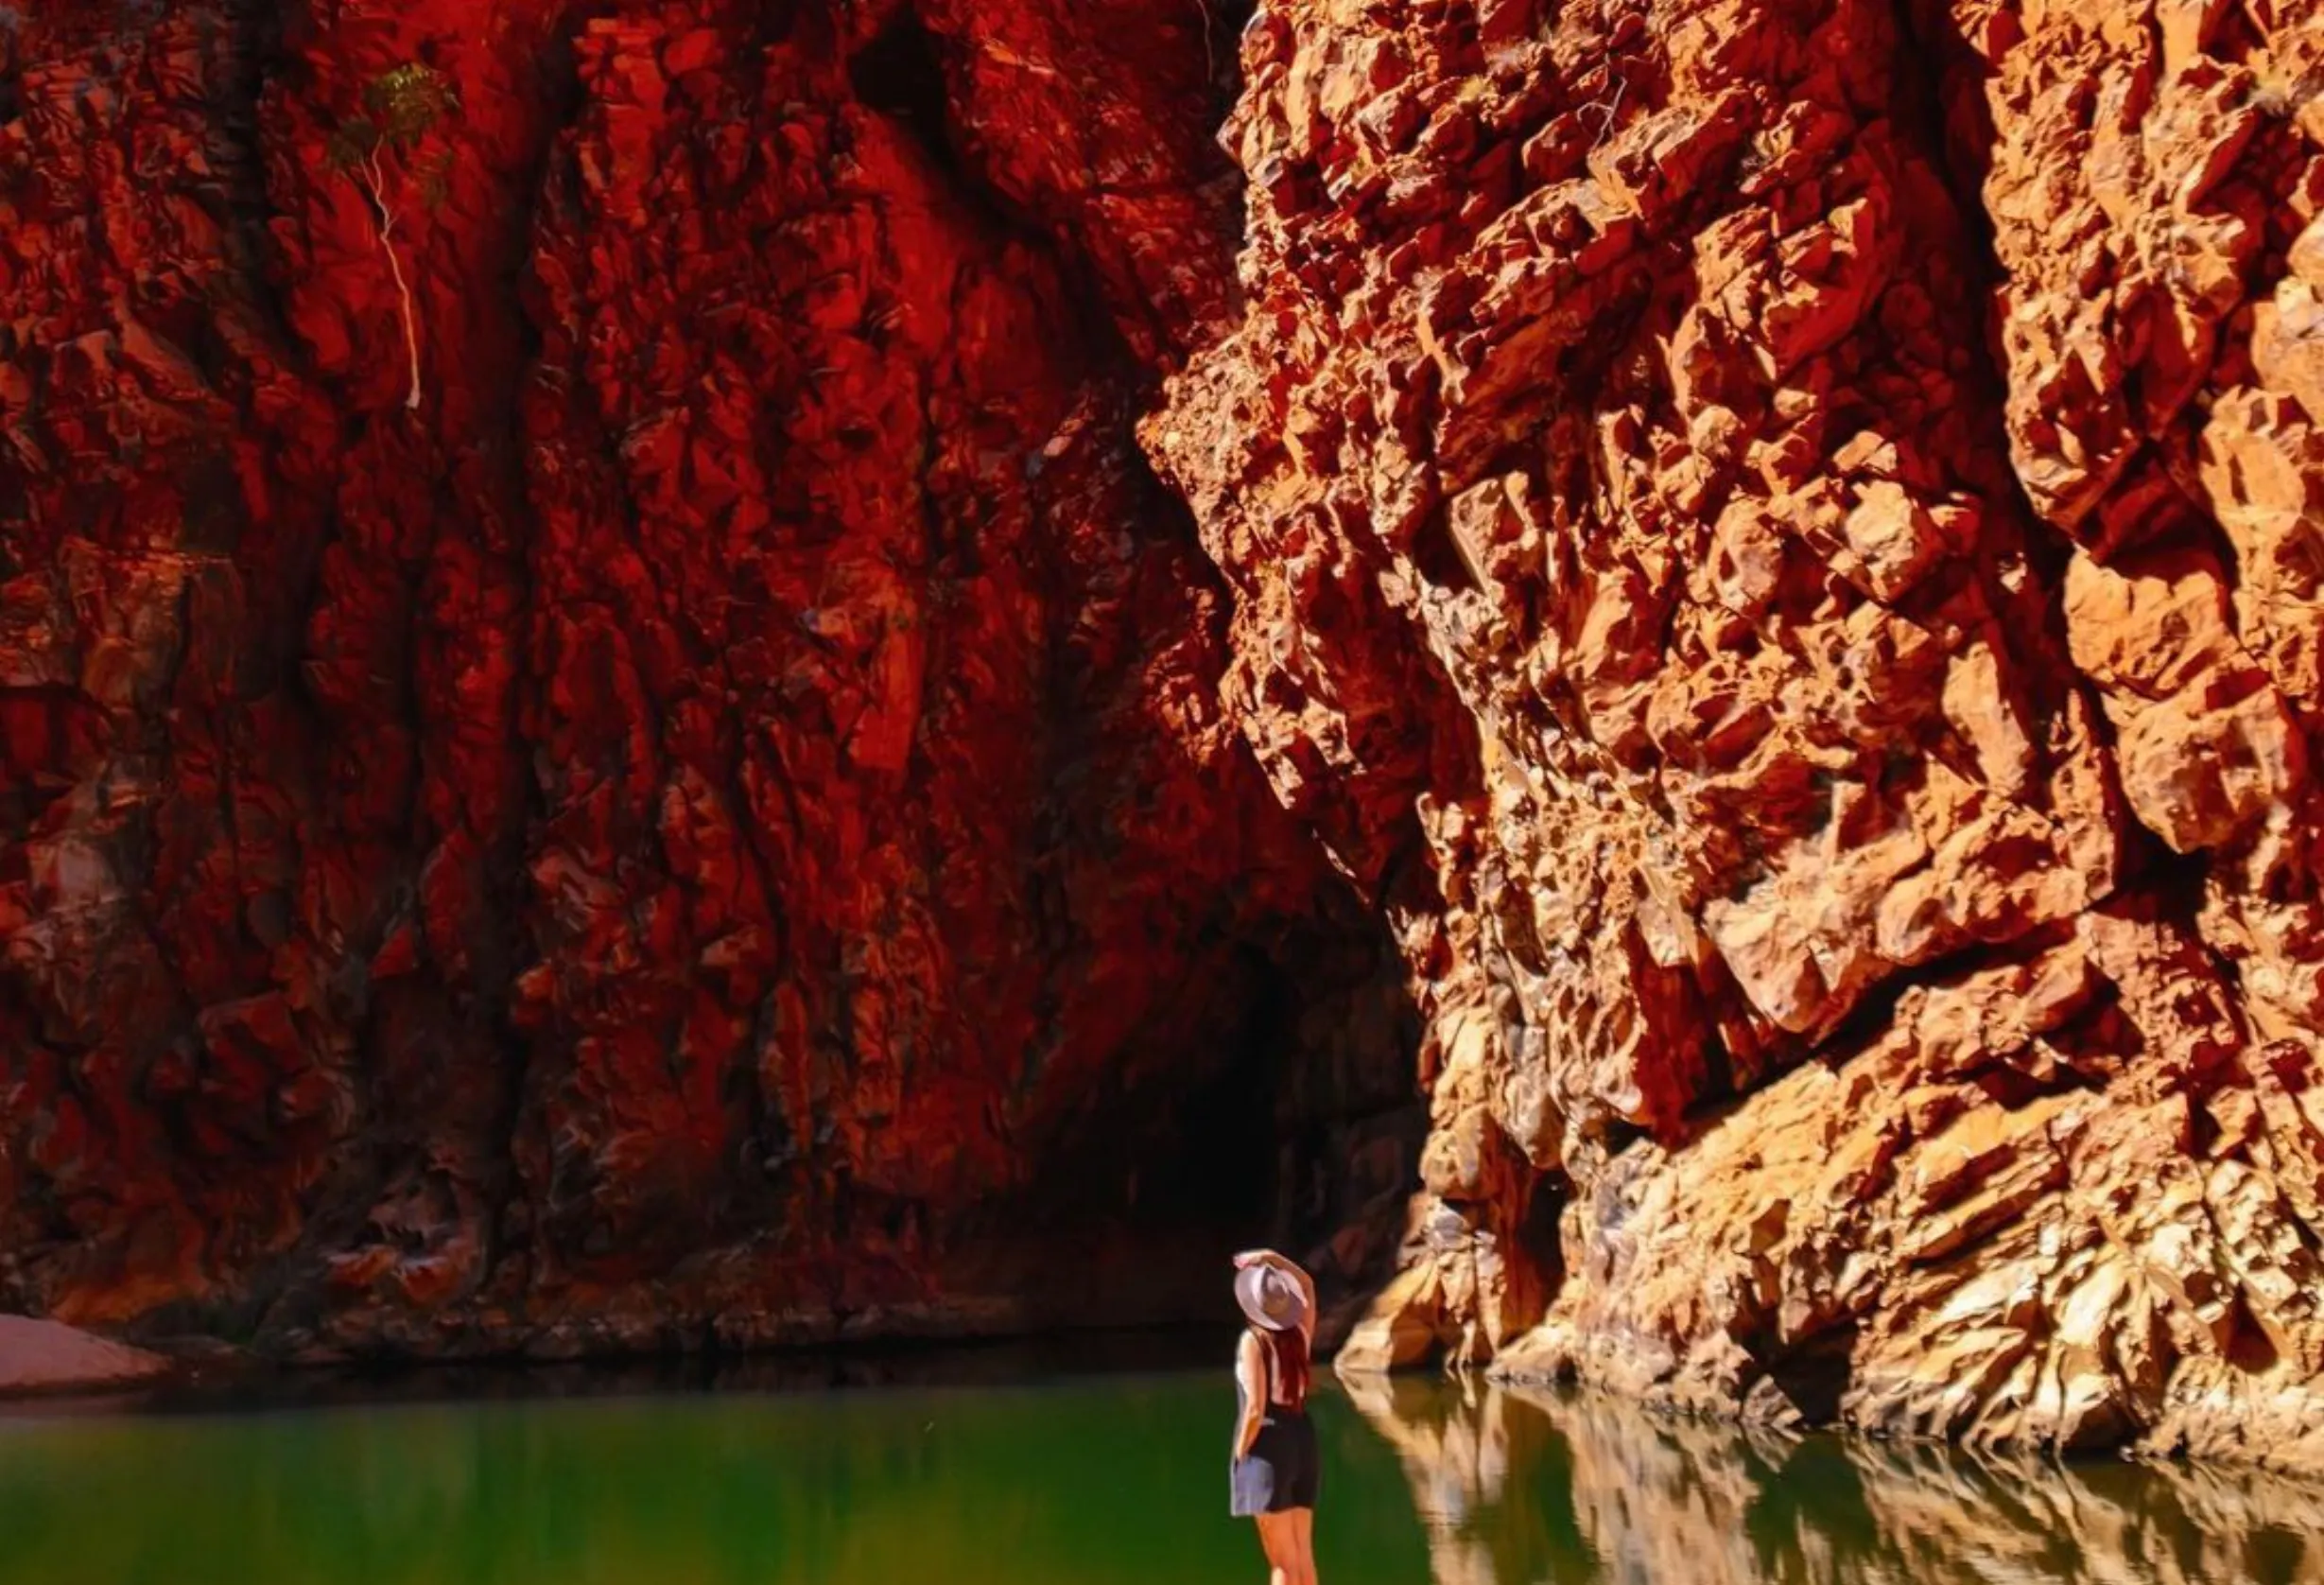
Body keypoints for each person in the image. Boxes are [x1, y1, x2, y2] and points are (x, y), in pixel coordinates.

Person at [1229, 1247, 1320, 1585]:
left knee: (1281, 1561)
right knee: (1302, 1554)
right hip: (1302, 1437)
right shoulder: (1299, 1334)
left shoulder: (1253, 1341)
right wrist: (1275, 1258)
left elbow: (1255, 1408)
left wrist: (1241, 1453)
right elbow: (1308, 1285)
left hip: (1269, 1443)